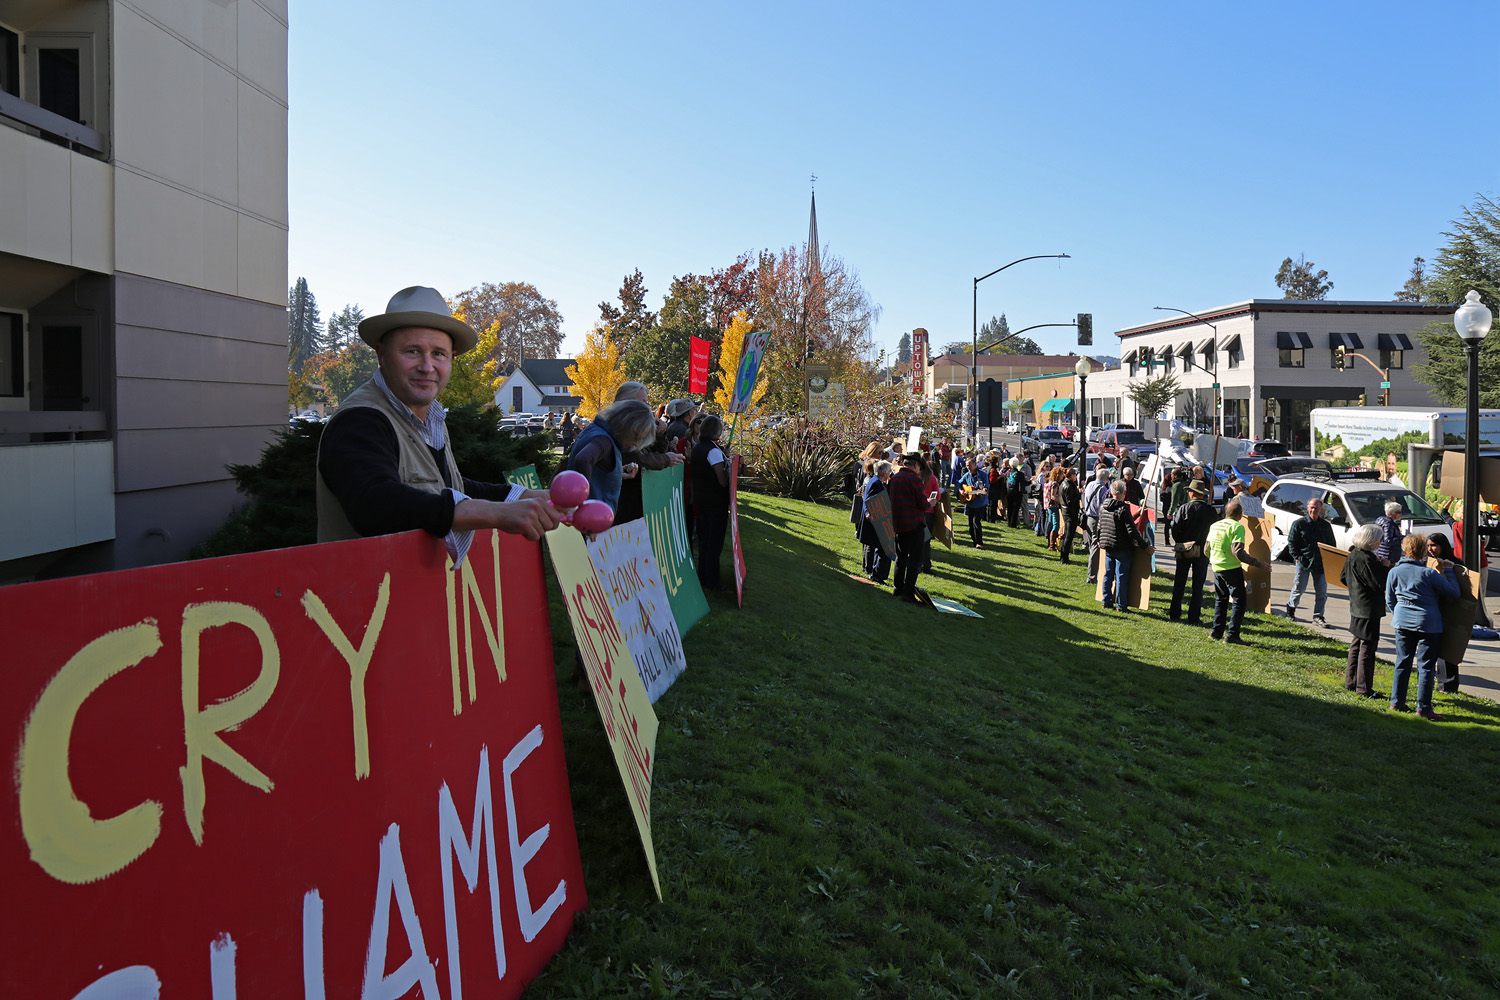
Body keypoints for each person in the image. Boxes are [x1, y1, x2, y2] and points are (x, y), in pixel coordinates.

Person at [316, 286, 562, 551]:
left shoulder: (430, 417)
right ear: (381, 354)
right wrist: (495, 515)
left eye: (438, 354)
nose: (427, 366)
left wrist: (521, 496)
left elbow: (445, 488)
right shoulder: (360, 420)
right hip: (366, 590)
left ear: (451, 359)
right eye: (412, 351)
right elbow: (373, 504)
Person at [1386, 533, 1460, 719]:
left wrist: (1400, 613)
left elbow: (1389, 599)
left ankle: (1397, 702)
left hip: (1402, 622)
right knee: (1426, 667)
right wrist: (1449, 570)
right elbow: (1454, 592)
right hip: (1428, 624)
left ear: (1405, 550)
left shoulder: (1394, 571)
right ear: (1423, 552)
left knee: (1402, 662)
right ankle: (1424, 708)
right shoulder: (1428, 573)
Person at [566, 398, 659, 514]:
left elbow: (593, 469)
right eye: (637, 437)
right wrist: (583, 505)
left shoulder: (597, 431)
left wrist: (616, 473)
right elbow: (583, 460)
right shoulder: (604, 440)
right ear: (627, 426)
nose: (635, 443)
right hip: (589, 519)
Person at [612, 382, 685, 524]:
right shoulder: (618, 426)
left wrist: (659, 435)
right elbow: (635, 456)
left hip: (637, 498)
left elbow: (652, 451)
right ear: (625, 401)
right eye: (643, 402)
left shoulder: (632, 426)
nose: (647, 407)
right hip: (620, 501)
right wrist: (665, 459)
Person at [1205, 498, 1268, 644]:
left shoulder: (1215, 525)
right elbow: (1238, 552)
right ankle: (1232, 634)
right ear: (1240, 515)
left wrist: (1214, 559)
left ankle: (1216, 632)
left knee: (1221, 599)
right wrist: (1257, 563)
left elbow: (1206, 549)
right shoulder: (1237, 527)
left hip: (1217, 567)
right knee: (1239, 601)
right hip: (1231, 568)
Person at [1340, 523, 1387, 700]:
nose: (1381, 542)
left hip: (1357, 605)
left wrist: (1355, 589)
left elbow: (1343, 577)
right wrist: (1385, 566)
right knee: (1367, 647)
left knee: (1356, 645)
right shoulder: (1367, 559)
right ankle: (1364, 688)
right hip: (1368, 609)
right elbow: (1379, 584)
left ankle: (1351, 682)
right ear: (1372, 541)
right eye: (1379, 539)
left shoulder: (1353, 554)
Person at [690, 414, 731, 590]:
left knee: (705, 541)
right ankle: (712, 581)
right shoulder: (713, 451)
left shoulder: (698, 447)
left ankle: (703, 577)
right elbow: (721, 480)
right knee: (713, 543)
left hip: (701, 499)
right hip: (714, 502)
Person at [1168, 479, 1217, 625]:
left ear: (1192, 493)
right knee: (1198, 586)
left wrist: (1180, 541)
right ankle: (1194, 616)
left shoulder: (1184, 509)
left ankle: (1175, 613)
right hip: (1203, 551)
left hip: (1185, 549)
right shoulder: (1210, 511)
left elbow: (1175, 529)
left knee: (1179, 582)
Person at [1097, 480, 1149, 613]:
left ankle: (1106, 601)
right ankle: (1121, 605)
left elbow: (1099, 526)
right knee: (1121, 577)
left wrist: (1099, 539)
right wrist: (1145, 546)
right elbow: (1132, 531)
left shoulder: (1104, 506)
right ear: (1123, 493)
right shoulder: (1122, 508)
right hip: (1122, 547)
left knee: (1108, 575)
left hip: (1108, 545)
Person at [1284, 496, 1335, 626]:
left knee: (1322, 593)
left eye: (1316, 508)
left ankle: (1318, 616)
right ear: (1307, 508)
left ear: (1321, 509)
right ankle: (1291, 610)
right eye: (1311, 507)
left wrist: (1330, 561)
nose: (1314, 510)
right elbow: (1291, 542)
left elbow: (1331, 545)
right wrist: (1297, 557)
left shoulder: (1325, 526)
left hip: (1321, 564)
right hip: (1304, 562)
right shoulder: (1299, 524)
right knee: (1299, 588)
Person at [888, 454, 929, 602]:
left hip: (899, 524)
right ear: (916, 465)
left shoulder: (894, 478)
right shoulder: (914, 479)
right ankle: (908, 593)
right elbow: (923, 504)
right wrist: (930, 502)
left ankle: (897, 588)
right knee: (915, 560)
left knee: (901, 557)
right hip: (913, 524)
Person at [1452, 501, 1493, 628]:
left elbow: (1445, 514)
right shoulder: (1475, 527)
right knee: (1480, 591)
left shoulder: (1456, 526)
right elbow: (1484, 543)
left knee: (1465, 591)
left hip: (1460, 560)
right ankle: (1481, 617)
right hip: (1480, 561)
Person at [860, 461, 894, 582]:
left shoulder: (876, 481)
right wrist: (869, 513)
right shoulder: (876, 483)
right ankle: (877, 575)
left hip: (878, 518)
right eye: (889, 471)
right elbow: (869, 500)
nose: (890, 473)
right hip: (877, 519)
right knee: (882, 548)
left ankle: (877, 574)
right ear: (884, 473)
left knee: (880, 548)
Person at [1082, 466, 1112, 585]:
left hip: (1089, 517)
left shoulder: (1090, 485)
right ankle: (1092, 576)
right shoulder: (1103, 489)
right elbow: (1103, 506)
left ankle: (1093, 572)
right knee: (1095, 547)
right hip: (1096, 519)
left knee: (1092, 545)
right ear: (1106, 479)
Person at [958, 457, 990, 549]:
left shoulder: (983, 475)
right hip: (970, 503)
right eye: (967, 466)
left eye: (970, 466)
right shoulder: (967, 475)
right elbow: (959, 483)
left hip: (980, 503)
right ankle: (974, 541)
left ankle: (979, 542)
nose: (968, 467)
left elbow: (985, 488)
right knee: (971, 524)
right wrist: (961, 491)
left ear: (975, 465)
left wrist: (981, 491)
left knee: (976, 522)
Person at [1058, 466, 1082, 564]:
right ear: (1071, 475)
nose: (1076, 476)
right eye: (1075, 475)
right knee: (1068, 535)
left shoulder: (1064, 483)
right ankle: (1064, 558)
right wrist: (1079, 494)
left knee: (1068, 535)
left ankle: (1064, 556)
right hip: (1070, 512)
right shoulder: (1068, 486)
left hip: (1066, 511)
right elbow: (1071, 501)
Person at [1374, 501, 1406, 568]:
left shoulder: (1380, 520)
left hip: (1380, 553)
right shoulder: (1389, 524)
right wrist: (1403, 537)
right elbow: (1388, 540)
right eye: (1399, 512)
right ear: (1391, 513)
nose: (1401, 514)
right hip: (1388, 557)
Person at [1006, 458, 1028, 530]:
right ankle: (1013, 524)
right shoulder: (1020, 474)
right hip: (1017, 493)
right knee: (1015, 509)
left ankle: (1009, 523)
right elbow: (1024, 482)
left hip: (1009, 492)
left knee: (1010, 508)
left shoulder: (1008, 473)